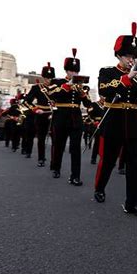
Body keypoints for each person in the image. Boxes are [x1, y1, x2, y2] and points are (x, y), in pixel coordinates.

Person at [93, 22, 137, 217]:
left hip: (132, 123)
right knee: (109, 161)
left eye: (133, 56)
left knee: (132, 165)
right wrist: (126, 78)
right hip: (114, 122)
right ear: (119, 55)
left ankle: (132, 203)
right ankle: (99, 187)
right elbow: (105, 89)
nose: (131, 59)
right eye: (128, 55)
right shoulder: (108, 72)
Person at [48, 49, 91, 185]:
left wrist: (83, 95)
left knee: (75, 147)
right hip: (61, 116)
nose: (74, 73)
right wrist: (67, 86)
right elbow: (52, 94)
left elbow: (88, 103)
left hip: (76, 119)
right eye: (72, 71)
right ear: (67, 71)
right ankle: (56, 167)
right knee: (59, 144)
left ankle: (75, 176)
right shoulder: (58, 81)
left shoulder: (81, 85)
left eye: (76, 71)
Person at [23, 64, 55, 166]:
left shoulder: (57, 88)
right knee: (41, 138)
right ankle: (41, 158)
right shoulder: (37, 88)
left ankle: (55, 161)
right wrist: (35, 109)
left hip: (55, 114)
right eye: (46, 77)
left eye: (50, 78)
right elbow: (26, 101)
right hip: (41, 115)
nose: (48, 80)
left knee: (56, 139)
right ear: (43, 77)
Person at [87, 97, 105, 165]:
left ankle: (104, 158)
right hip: (96, 124)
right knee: (97, 142)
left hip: (104, 125)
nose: (103, 99)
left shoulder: (106, 105)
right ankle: (93, 158)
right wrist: (93, 121)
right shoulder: (94, 104)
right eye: (102, 98)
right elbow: (89, 114)